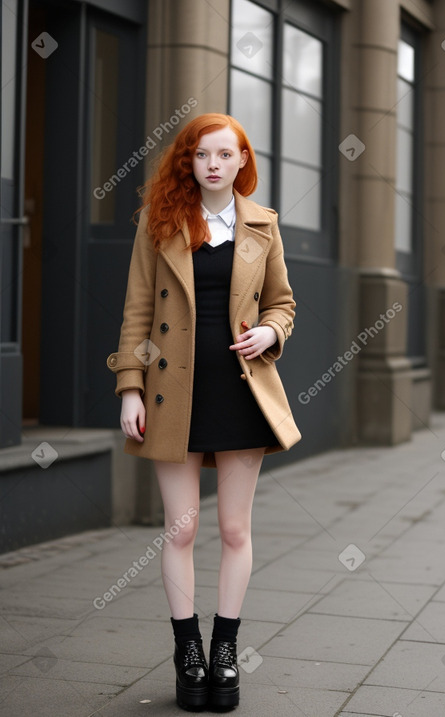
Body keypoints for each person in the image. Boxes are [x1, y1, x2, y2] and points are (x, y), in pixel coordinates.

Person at [106, 113, 301, 711]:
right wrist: (131, 388)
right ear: (187, 162)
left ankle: (224, 649)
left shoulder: (263, 226)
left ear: (243, 161)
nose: (212, 164)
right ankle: (186, 650)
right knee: (182, 527)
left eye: (225, 154)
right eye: (200, 154)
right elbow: (138, 311)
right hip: (172, 394)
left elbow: (283, 304)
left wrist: (270, 333)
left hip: (241, 392)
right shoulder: (159, 223)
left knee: (235, 529)